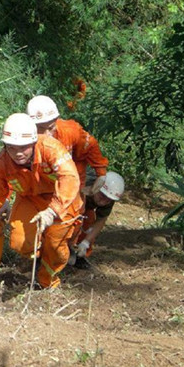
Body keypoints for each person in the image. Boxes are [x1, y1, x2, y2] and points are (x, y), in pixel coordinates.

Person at [0, 113, 83, 289]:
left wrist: (52, 210)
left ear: (34, 142)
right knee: (19, 242)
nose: (18, 153)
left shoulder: (51, 148)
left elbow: (69, 178)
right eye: (11, 147)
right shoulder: (1, 164)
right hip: (29, 199)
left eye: (23, 147)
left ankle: (47, 282)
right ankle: (38, 254)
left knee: (56, 247)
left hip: (62, 200)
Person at [26, 95, 114, 268]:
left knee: (74, 222)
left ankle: (72, 254)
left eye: (50, 128)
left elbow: (91, 145)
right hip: (44, 184)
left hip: (72, 183)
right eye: (40, 129)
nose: (46, 135)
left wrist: (101, 171)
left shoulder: (71, 131)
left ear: (56, 121)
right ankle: (39, 254)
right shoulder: (24, 139)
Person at [71, 171, 125, 267]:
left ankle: (79, 255)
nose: (104, 201)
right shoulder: (83, 183)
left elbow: (101, 220)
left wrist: (86, 242)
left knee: (89, 221)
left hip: (86, 209)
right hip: (71, 205)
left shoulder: (109, 197)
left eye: (108, 200)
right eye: (102, 196)